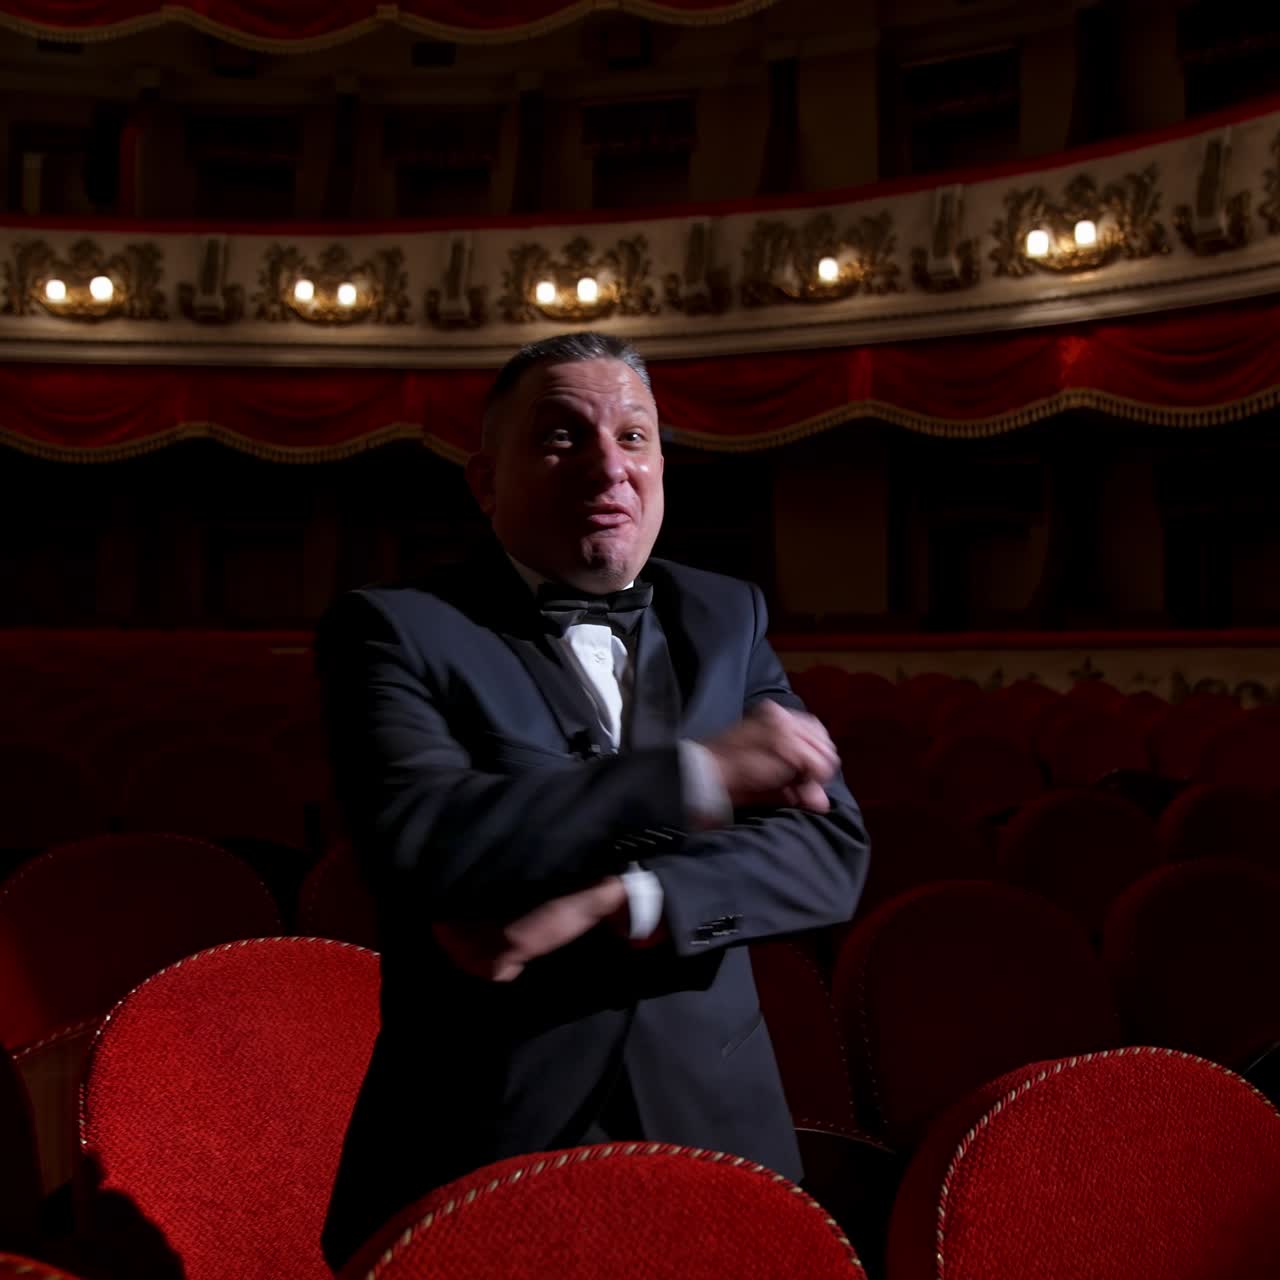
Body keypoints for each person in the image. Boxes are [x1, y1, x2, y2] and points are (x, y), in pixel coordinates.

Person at [317, 331, 869, 1269]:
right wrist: (699, 776)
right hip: (485, 1130)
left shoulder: (726, 614)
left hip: (715, 1121)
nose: (610, 465)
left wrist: (633, 900)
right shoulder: (394, 630)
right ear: (486, 482)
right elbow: (424, 840)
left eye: (636, 437)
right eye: (564, 437)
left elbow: (829, 851)